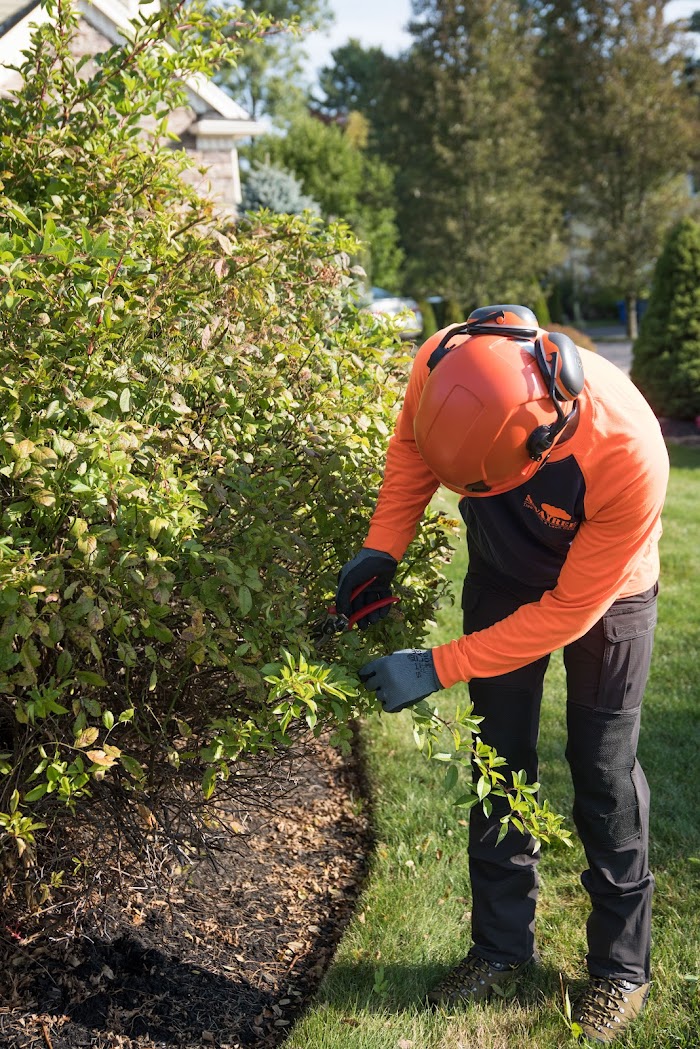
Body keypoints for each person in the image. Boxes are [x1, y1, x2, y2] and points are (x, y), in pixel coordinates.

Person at [334, 305, 669, 1045]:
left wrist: (438, 665)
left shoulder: (629, 452)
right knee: (499, 760)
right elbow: (413, 446)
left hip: (607, 597)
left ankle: (620, 968)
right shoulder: (445, 362)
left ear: (543, 439)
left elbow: (567, 612)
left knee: (604, 768)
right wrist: (382, 547)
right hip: (500, 572)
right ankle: (500, 948)